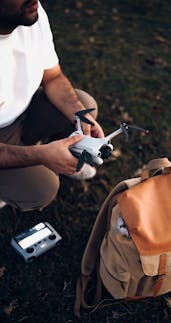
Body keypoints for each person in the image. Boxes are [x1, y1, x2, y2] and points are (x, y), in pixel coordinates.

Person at [0, 0, 104, 211]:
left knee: (84, 106)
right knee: (41, 189)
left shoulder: (30, 12)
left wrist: (80, 116)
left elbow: (53, 77)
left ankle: (62, 157)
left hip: (21, 113)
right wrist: (40, 155)